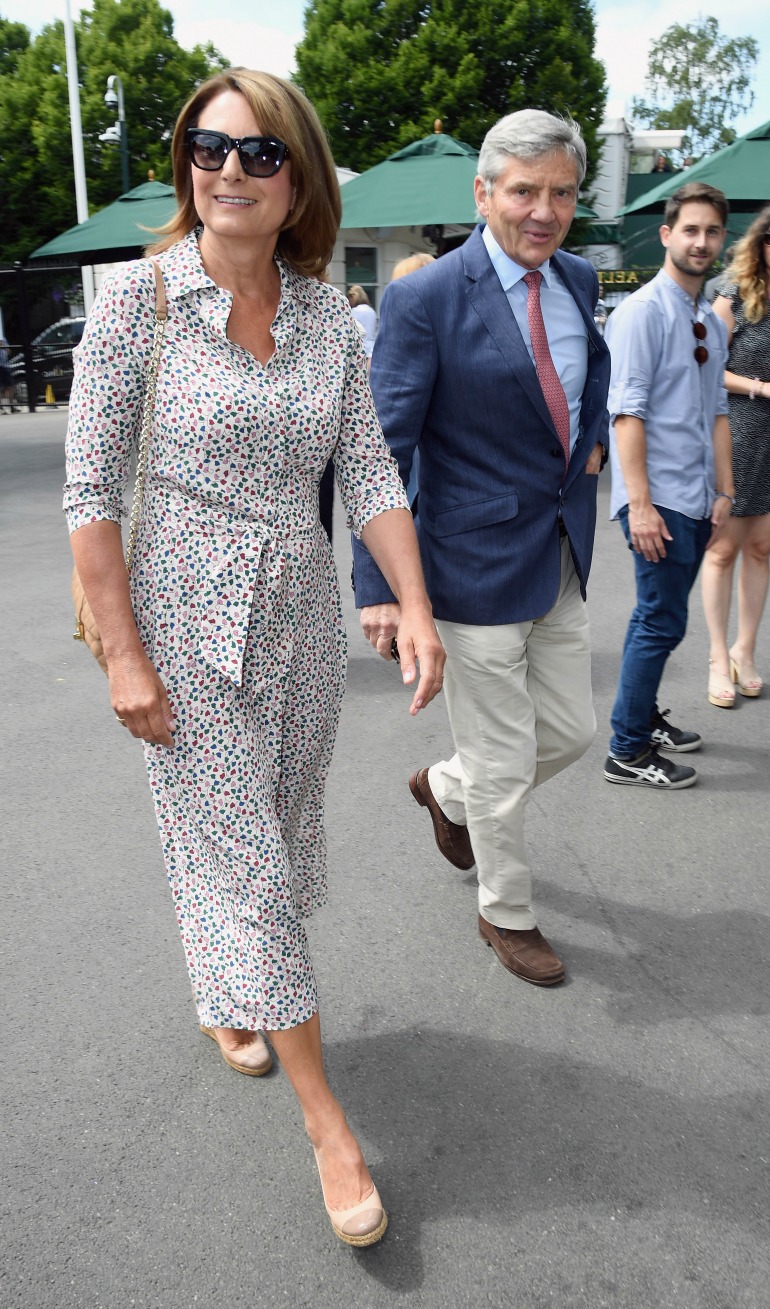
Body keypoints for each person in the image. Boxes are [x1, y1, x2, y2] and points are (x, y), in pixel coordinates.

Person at [63, 67, 444, 1248]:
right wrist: (123, 654)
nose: (226, 169)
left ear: (297, 184)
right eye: (205, 146)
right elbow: (88, 490)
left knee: (272, 842)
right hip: (181, 621)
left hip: (296, 617)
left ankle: (226, 991)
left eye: (258, 154)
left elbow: (368, 466)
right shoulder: (137, 304)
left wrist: (413, 602)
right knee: (256, 880)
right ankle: (329, 1124)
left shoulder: (331, 313)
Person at [353, 109, 610, 987]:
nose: (545, 210)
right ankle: (506, 912)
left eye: (563, 193)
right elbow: (379, 446)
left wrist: (592, 456)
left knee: (573, 732)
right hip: (464, 568)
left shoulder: (576, 278)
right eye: (525, 191)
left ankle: (447, 788)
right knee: (504, 762)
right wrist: (378, 584)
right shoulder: (424, 298)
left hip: (561, 558)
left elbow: (581, 390)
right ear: (483, 193)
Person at [603, 182, 733, 789]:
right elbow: (626, 414)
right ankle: (627, 750)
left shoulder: (709, 317)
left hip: (697, 496)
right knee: (659, 621)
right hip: (659, 499)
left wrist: (725, 492)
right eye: (690, 230)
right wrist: (642, 505)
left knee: (661, 619)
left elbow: (716, 415)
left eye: (711, 232)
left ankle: (642, 718)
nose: (700, 241)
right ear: (666, 235)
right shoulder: (640, 312)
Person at [701, 204, 770, 704]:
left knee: (763, 549)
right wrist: (760, 388)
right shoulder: (733, 292)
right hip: (739, 429)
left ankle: (745, 650)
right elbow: (705, 367)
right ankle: (715, 658)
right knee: (722, 550)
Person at [346, 284, 377, 361]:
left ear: (353, 297)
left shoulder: (354, 312)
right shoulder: (372, 311)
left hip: (359, 351)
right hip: (372, 351)